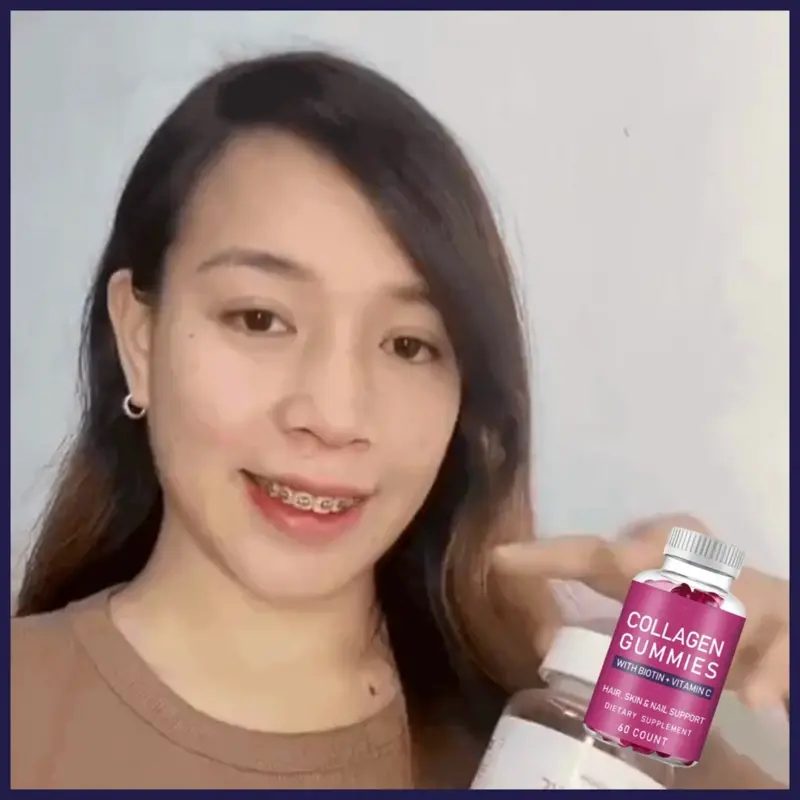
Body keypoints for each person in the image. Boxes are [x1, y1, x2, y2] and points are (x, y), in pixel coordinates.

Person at [11, 50, 788, 790]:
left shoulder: (589, 754)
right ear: (139, 339)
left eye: (409, 344)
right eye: (259, 319)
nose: (333, 414)